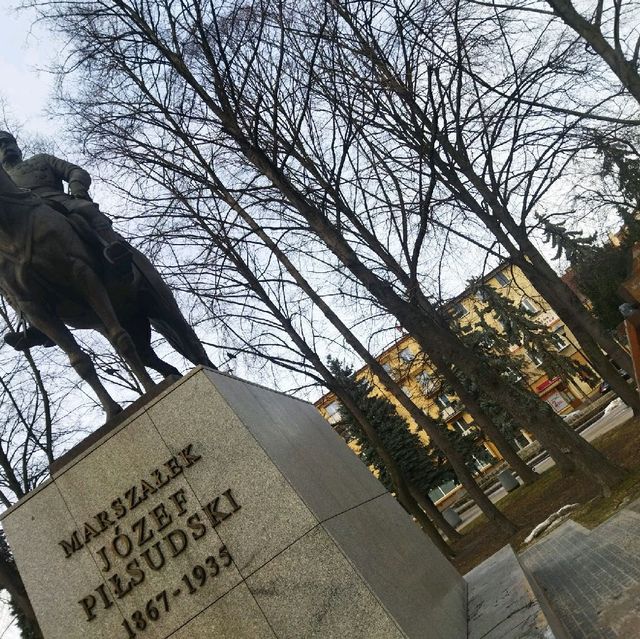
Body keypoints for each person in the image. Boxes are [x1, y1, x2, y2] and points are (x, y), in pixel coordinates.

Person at [0, 131, 131, 350]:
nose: (6, 147)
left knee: (87, 211)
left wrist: (77, 188)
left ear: (18, 145)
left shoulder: (40, 160)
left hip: (58, 204)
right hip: (21, 225)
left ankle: (114, 251)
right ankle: (31, 320)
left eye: (9, 142)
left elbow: (75, 171)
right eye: (0, 145)